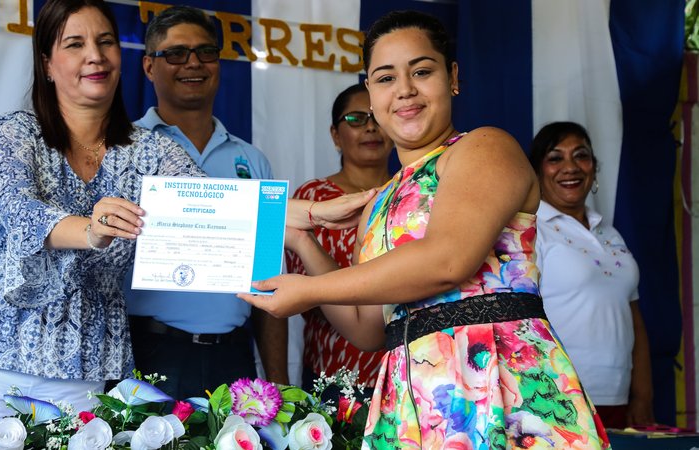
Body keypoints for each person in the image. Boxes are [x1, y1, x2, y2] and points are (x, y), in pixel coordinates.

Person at [241, 10, 609, 449]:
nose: (405, 90)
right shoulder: (380, 200)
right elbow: (367, 328)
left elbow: (447, 260)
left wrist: (309, 291)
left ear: (452, 76)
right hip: (416, 398)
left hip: (504, 381)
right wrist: (301, 239)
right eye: (385, 78)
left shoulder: (485, 147)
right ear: (370, 94)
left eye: (421, 71)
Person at [0, 0, 207, 445]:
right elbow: (18, 210)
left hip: (79, 365)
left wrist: (296, 214)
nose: (95, 55)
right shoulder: (15, 132)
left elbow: (212, 208)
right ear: (47, 64)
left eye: (106, 42)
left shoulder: (152, 151)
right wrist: (90, 231)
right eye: (75, 44)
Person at [123, 5, 288, 399]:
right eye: (176, 53)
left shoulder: (252, 161)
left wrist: (279, 385)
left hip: (233, 358)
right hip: (147, 354)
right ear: (149, 67)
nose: (193, 63)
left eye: (206, 52)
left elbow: (269, 285)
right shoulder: (120, 150)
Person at [529, 121, 653, 429]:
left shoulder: (610, 234)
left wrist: (642, 395)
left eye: (580, 156)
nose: (570, 167)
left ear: (594, 169)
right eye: (555, 158)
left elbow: (632, 316)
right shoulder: (532, 232)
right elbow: (521, 322)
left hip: (617, 398)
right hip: (558, 399)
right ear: (537, 172)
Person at [285, 83, 391, 393]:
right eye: (357, 119)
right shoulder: (312, 200)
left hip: (404, 367)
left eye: (377, 118)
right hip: (330, 369)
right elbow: (302, 295)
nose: (370, 127)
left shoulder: (411, 193)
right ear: (335, 135)